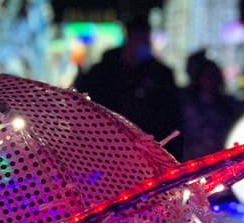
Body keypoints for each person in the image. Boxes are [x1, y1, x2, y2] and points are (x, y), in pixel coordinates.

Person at [74, 17, 183, 158]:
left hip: (148, 149)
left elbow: (170, 114)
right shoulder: (105, 71)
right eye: (139, 39)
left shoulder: (159, 74)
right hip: (109, 146)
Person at [180, 51, 238, 160]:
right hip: (195, 159)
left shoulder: (228, 104)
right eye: (207, 76)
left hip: (222, 157)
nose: (211, 80)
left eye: (213, 76)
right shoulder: (188, 103)